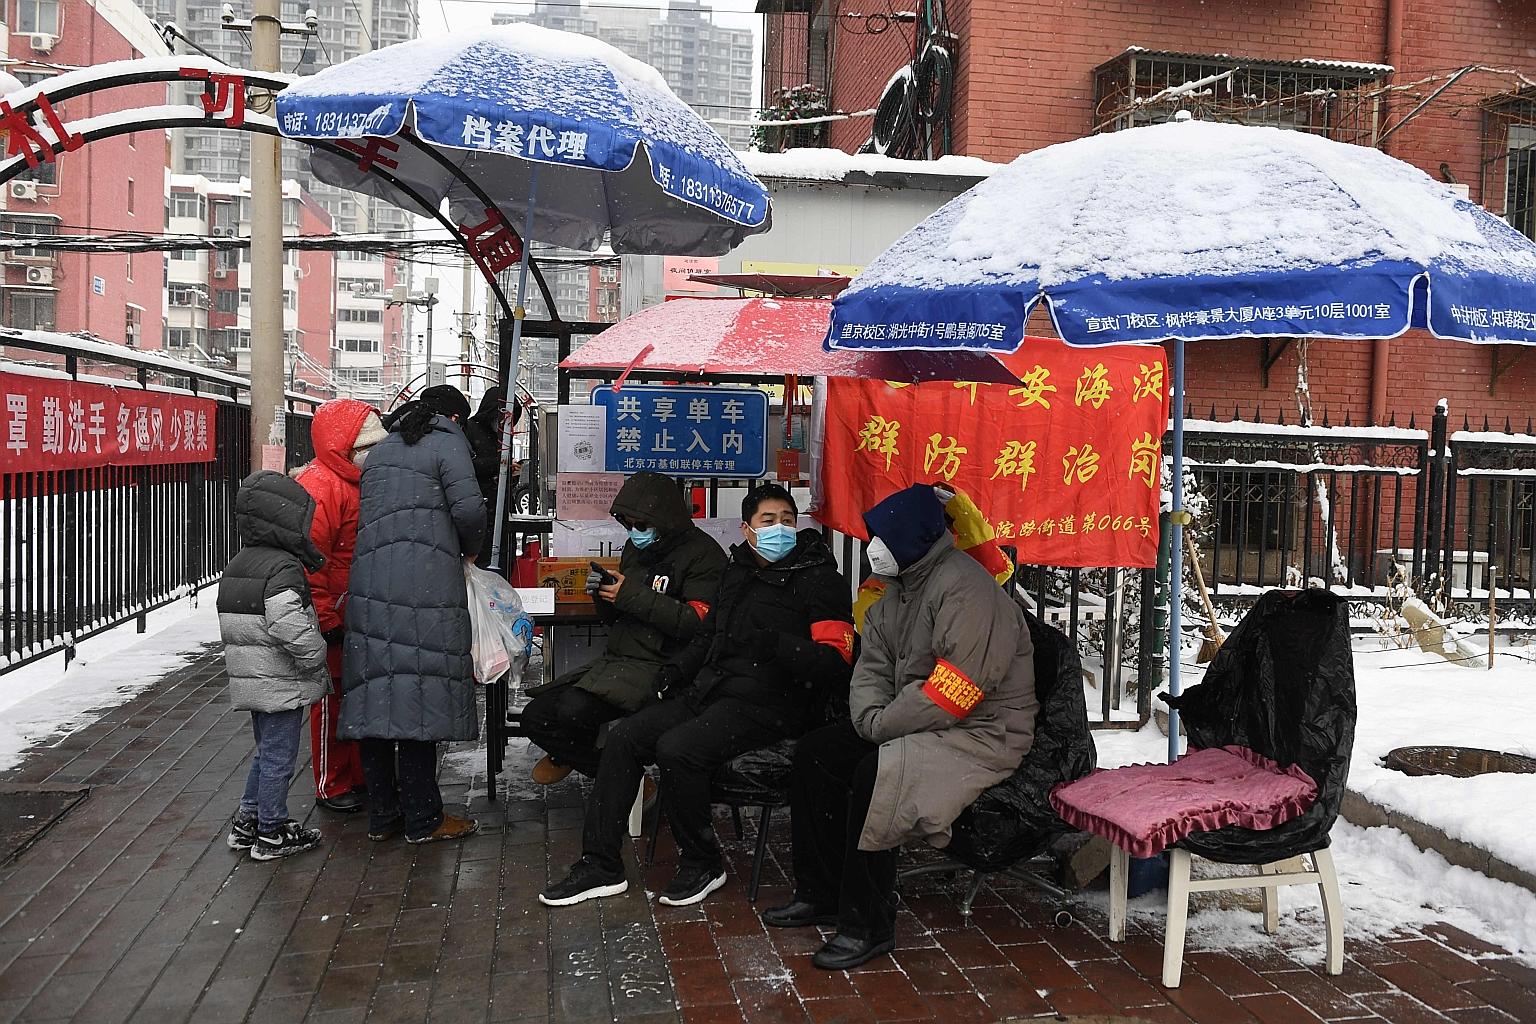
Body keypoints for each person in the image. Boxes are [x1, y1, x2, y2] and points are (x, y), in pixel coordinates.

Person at [763, 483, 1039, 970]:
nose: (874, 550)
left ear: (911, 541)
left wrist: (882, 726)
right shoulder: (896, 589)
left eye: (883, 539)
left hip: (979, 732)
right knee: (817, 754)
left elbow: (955, 690)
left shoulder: (968, 591)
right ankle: (820, 892)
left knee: (878, 776)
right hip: (908, 720)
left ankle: (867, 924)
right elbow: (872, 662)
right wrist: (871, 721)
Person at [540, 484, 855, 907]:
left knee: (678, 749)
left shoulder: (821, 580)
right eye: (768, 521)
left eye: (786, 520)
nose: (779, 528)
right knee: (625, 737)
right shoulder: (737, 571)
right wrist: (676, 672)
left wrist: (779, 645)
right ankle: (600, 864)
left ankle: (702, 861)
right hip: (713, 687)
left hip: (774, 702)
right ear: (747, 529)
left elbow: (836, 661)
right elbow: (708, 635)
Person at [341, 384, 486, 844]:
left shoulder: (381, 451)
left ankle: (384, 815)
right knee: (419, 693)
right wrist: (469, 551)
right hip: (425, 583)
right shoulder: (448, 445)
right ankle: (424, 817)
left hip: (370, 584)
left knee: (377, 694)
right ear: (452, 418)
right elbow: (469, 512)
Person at [521, 471, 726, 785]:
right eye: (628, 524)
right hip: (617, 661)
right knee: (535, 717)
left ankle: (615, 776)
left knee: (573, 711)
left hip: (661, 667)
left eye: (641, 525)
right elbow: (617, 617)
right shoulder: (635, 549)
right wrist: (603, 594)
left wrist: (629, 594)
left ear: (665, 519)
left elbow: (695, 624)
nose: (634, 532)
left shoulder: (703, 554)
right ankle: (623, 777)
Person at [219, 470, 331, 861]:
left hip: (253, 677)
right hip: (279, 678)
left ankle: (247, 821)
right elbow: (288, 623)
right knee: (280, 757)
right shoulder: (282, 567)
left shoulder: (241, 562)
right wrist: (315, 655)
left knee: (266, 752)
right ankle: (271, 830)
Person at [293, 398, 387, 814]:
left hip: (353, 611)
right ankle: (331, 783)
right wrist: (326, 618)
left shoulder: (351, 482)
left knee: (356, 697)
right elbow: (310, 562)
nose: (371, 455)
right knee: (331, 702)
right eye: (365, 447)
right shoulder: (322, 487)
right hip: (333, 616)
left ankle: (358, 776)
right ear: (344, 447)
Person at [464, 385, 522, 568]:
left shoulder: (503, 437)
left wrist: (510, 474)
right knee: (483, 564)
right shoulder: (469, 430)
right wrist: (498, 466)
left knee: (504, 561)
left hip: (500, 508)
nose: (508, 424)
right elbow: (466, 467)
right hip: (481, 509)